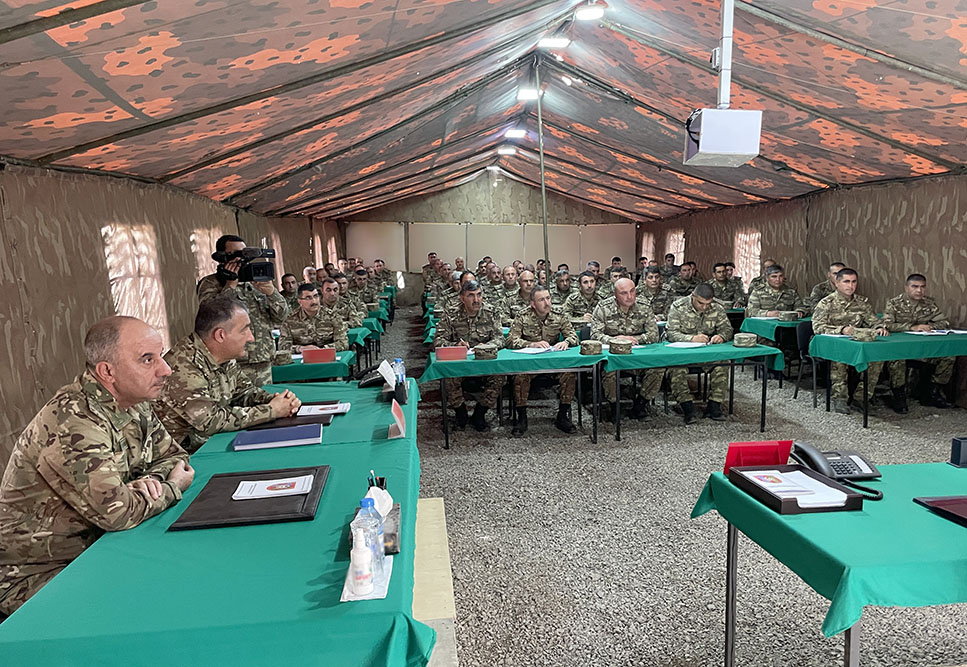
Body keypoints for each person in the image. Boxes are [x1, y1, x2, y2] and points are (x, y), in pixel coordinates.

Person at [0, 316, 194, 616]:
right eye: (147, 359)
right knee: (155, 604)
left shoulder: (133, 401)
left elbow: (174, 456)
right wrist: (171, 487)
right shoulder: (74, 420)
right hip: (41, 574)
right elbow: (118, 513)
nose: (165, 369)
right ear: (107, 371)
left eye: (160, 355)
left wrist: (151, 480)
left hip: (101, 548)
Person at [156, 298, 301, 453]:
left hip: (212, 443)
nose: (251, 338)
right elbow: (211, 421)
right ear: (220, 335)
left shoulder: (224, 357)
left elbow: (244, 392)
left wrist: (280, 401)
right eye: (244, 330)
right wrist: (271, 411)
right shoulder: (182, 367)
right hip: (185, 456)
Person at [197, 234, 288, 386]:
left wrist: (272, 293)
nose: (241, 259)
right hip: (232, 363)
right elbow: (212, 317)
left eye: (244, 254)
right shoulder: (211, 283)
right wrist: (230, 286)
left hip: (262, 360)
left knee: (265, 400)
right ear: (222, 257)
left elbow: (281, 317)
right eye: (235, 254)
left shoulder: (256, 281)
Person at [811, 268, 888, 414]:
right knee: (839, 358)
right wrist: (842, 330)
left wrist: (879, 327)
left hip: (856, 343)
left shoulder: (862, 302)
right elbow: (817, 327)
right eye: (846, 282)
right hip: (833, 344)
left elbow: (873, 321)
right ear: (837, 283)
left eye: (853, 282)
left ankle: (861, 397)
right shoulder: (826, 303)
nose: (850, 286)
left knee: (876, 358)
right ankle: (840, 398)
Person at [433, 281, 505, 432]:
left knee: (499, 377)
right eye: (471, 296)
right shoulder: (451, 313)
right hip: (460, 363)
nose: (476, 299)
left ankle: (480, 413)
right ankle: (461, 413)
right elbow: (438, 341)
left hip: (483, 362)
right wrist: (455, 345)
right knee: (449, 375)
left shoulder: (491, 312)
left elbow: (500, 339)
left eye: (479, 295)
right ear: (462, 298)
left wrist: (484, 347)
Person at [506, 287, 580, 435]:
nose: (547, 303)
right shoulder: (523, 316)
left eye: (548, 298)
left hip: (552, 362)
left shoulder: (559, 314)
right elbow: (510, 341)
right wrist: (531, 344)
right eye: (541, 300)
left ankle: (562, 416)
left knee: (570, 374)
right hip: (530, 363)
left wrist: (566, 342)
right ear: (533, 304)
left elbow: (574, 337)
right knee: (520, 376)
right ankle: (522, 418)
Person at [590, 278, 662, 422]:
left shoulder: (644, 306)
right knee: (609, 370)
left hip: (637, 356)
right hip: (614, 357)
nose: (629, 296)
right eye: (624, 293)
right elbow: (595, 335)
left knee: (658, 368)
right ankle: (614, 406)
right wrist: (617, 340)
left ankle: (640, 405)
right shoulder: (603, 307)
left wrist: (634, 339)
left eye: (632, 291)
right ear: (615, 294)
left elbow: (654, 335)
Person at [881, 274, 953, 412]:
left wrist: (930, 327)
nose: (919, 290)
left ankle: (932, 391)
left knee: (948, 355)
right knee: (896, 359)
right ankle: (899, 394)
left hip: (923, 347)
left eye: (922, 287)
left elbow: (944, 322)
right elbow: (887, 325)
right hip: (901, 347)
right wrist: (912, 327)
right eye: (915, 286)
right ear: (906, 287)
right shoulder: (894, 303)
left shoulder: (929, 304)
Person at [666, 284, 734, 424]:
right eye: (700, 303)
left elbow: (727, 329)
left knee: (723, 364)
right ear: (693, 296)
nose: (704, 307)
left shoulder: (717, 308)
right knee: (676, 369)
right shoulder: (678, 307)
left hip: (707, 354)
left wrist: (721, 336)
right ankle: (687, 408)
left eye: (708, 304)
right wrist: (691, 338)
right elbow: (671, 333)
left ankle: (714, 406)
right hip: (683, 355)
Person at [279, 280, 349, 353]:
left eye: (316, 296)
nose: (314, 301)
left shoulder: (333, 316)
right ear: (299, 301)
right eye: (308, 298)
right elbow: (282, 346)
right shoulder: (289, 320)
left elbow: (343, 343)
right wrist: (300, 348)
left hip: (326, 354)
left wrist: (322, 349)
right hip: (302, 356)